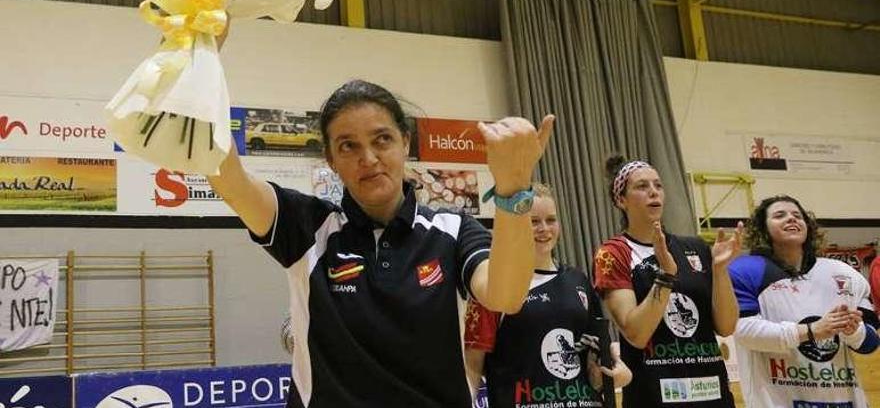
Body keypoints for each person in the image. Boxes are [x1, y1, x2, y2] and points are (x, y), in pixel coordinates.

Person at [208, 78, 555, 407]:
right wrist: (199, 55)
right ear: (330, 159)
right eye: (348, 146)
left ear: (405, 142)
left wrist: (512, 189)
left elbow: (505, 296)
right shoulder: (306, 227)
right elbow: (226, 175)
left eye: (382, 139)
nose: (369, 158)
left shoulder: (451, 229)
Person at [463, 183, 631, 408]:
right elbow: (473, 365)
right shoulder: (494, 286)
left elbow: (595, 358)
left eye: (551, 220)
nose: (544, 228)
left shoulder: (578, 281)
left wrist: (616, 370)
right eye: (533, 221)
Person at [592, 156, 739, 407]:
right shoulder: (613, 253)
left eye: (658, 185)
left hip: (711, 391)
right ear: (621, 200)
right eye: (642, 186)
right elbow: (636, 333)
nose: (653, 191)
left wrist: (720, 270)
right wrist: (665, 276)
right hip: (654, 395)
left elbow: (726, 327)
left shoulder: (694, 247)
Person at [728, 195, 879, 407]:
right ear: (763, 229)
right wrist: (812, 330)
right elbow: (745, 333)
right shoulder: (745, 271)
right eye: (780, 215)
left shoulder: (845, 274)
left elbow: (871, 345)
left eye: (797, 215)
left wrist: (853, 331)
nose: (791, 219)